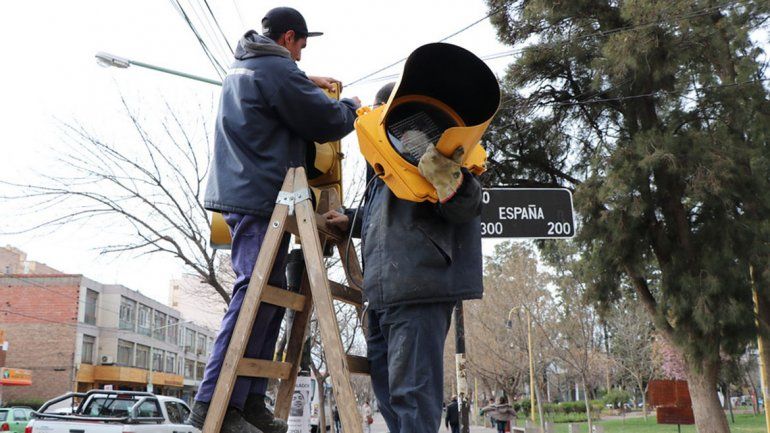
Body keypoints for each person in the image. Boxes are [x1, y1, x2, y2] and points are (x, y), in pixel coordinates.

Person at [187, 6, 360, 433]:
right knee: (253, 290)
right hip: (259, 194)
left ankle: (248, 401)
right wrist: (352, 107)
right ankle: (213, 405)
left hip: (254, 191)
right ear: (287, 37)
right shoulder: (275, 69)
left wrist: (304, 81)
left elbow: (282, 93)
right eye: (301, 44)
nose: (301, 54)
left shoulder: (248, 65)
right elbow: (323, 120)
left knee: (271, 290)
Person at [324, 82, 483, 433]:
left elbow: (467, 204)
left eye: (390, 115)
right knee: (391, 400)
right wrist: (352, 218)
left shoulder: (440, 156)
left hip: (419, 289)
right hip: (382, 294)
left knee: (413, 397)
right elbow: (389, 219)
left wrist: (432, 159)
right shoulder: (383, 172)